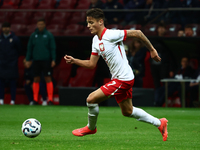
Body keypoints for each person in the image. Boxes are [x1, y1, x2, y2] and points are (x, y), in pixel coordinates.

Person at [64, 8, 168, 141]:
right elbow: (91, 64)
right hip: (119, 78)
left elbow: (138, 33)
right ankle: (160, 123)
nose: (88, 26)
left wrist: (152, 50)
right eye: (87, 23)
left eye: (91, 22)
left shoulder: (111, 34)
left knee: (90, 99)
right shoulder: (96, 40)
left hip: (124, 79)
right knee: (128, 111)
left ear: (100, 22)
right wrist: (74, 61)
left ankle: (91, 128)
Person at [25, 18, 56, 105]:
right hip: (36, 60)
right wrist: (27, 59)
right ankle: (35, 99)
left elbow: (52, 48)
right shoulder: (33, 35)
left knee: (48, 78)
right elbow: (29, 49)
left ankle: (50, 99)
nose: (40, 26)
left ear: (45, 25)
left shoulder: (49, 35)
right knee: (36, 79)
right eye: (39, 24)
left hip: (46, 60)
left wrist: (53, 59)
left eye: (42, 24)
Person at [0, 22, 21, 105]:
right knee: (1, 83)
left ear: (9, 28)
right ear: (2, 29)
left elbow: (19, 50)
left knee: (12, 83)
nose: (5, 29)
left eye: (7, 27)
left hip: (12, 64)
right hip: (1, 64)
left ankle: (13, 100)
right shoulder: (0, 39)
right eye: (4, 27)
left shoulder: (15, 39)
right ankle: (1, 100)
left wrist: (13, 59)